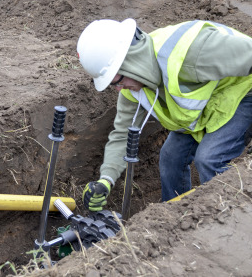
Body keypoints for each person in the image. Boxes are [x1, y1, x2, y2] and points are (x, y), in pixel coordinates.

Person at [77, 18, 252, 211]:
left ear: (130, 61)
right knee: (170, 158)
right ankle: (173, 220)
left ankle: (228, 220)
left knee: (209, 159)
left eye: (117, 80)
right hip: (209, 107)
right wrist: (105, 180)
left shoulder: (194, 54)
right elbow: (122, 135)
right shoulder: (134, 88)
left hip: (243, 94)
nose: (119, 89)